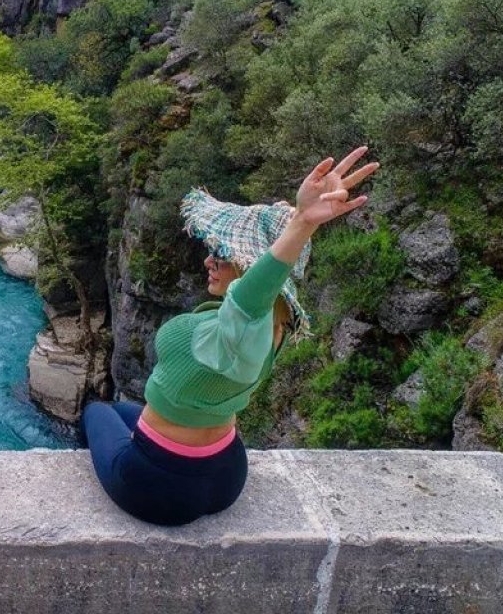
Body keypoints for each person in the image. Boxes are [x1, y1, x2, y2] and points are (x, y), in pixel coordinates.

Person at [81, 146, 379, 526]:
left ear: (247, 267)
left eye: (220, 253)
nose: (208, 260)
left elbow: (252, 293)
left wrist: (303, 222)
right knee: (123, 413)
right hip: (225, 471)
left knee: (96, 411)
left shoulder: (244, 321)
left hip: (157, 484)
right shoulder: (274, 325)